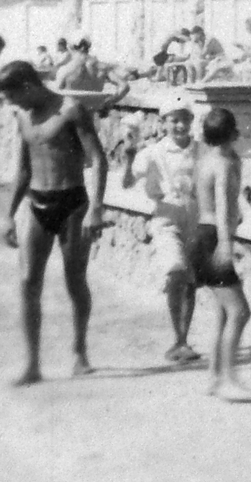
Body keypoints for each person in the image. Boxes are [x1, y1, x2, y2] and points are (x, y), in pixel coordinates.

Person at [1, 61, 108, 385]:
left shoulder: (71, 110)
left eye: (13, 96)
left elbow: (99, 158)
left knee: (74, 281)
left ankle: (79, 351)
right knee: (26, 282)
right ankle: (32, 363)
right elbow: (22, 169)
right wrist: (7, 214)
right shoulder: (22, 115)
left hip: (73, 204)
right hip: (37, 203)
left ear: (29, 87)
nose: (11, 104)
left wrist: (97, 208)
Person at [120, 99, 201, 363]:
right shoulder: (153, 153)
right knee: (175, 270)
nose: (179, 125)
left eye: (184, 119)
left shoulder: (201, 150)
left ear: (191, 121)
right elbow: (128, 182)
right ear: (163, 123)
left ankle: (182, 340)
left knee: (190, 280)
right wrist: (130, 155)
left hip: (196, 218)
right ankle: (178, 338)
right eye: (173, 119)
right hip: (166, 217)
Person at [192, 107, 251, 402]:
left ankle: (214, 377)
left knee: (221, 312)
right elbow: (222, 202)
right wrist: (226, 243)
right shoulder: (227, 162)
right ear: (233, 132)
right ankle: (229, 379)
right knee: (240, 312)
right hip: (215, 238)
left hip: (201, 236)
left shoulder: (204, 160)